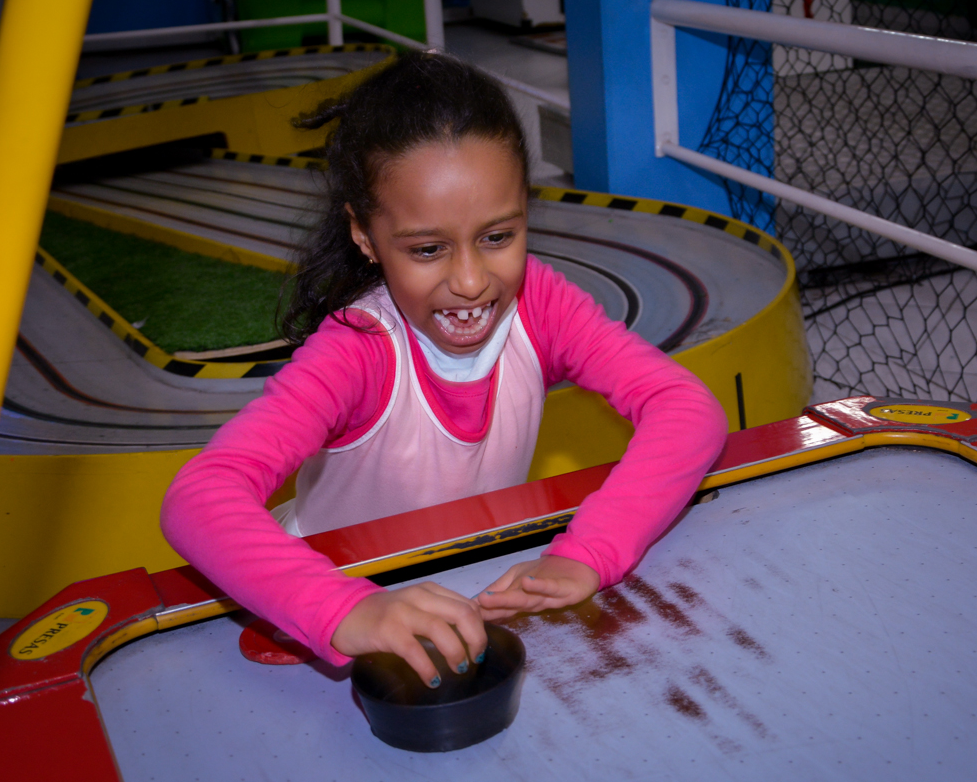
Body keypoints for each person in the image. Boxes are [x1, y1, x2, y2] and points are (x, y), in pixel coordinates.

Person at [161, 53, 727, 689]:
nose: (469, 281)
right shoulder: (356, 352)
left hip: (467, 580)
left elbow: (686, 409)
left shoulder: (542, 303)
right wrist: (345, 606)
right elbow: (198, 498)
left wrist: (590, 552)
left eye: (497, 237)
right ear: (366, 236)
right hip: (331, 596)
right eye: (428, 249)